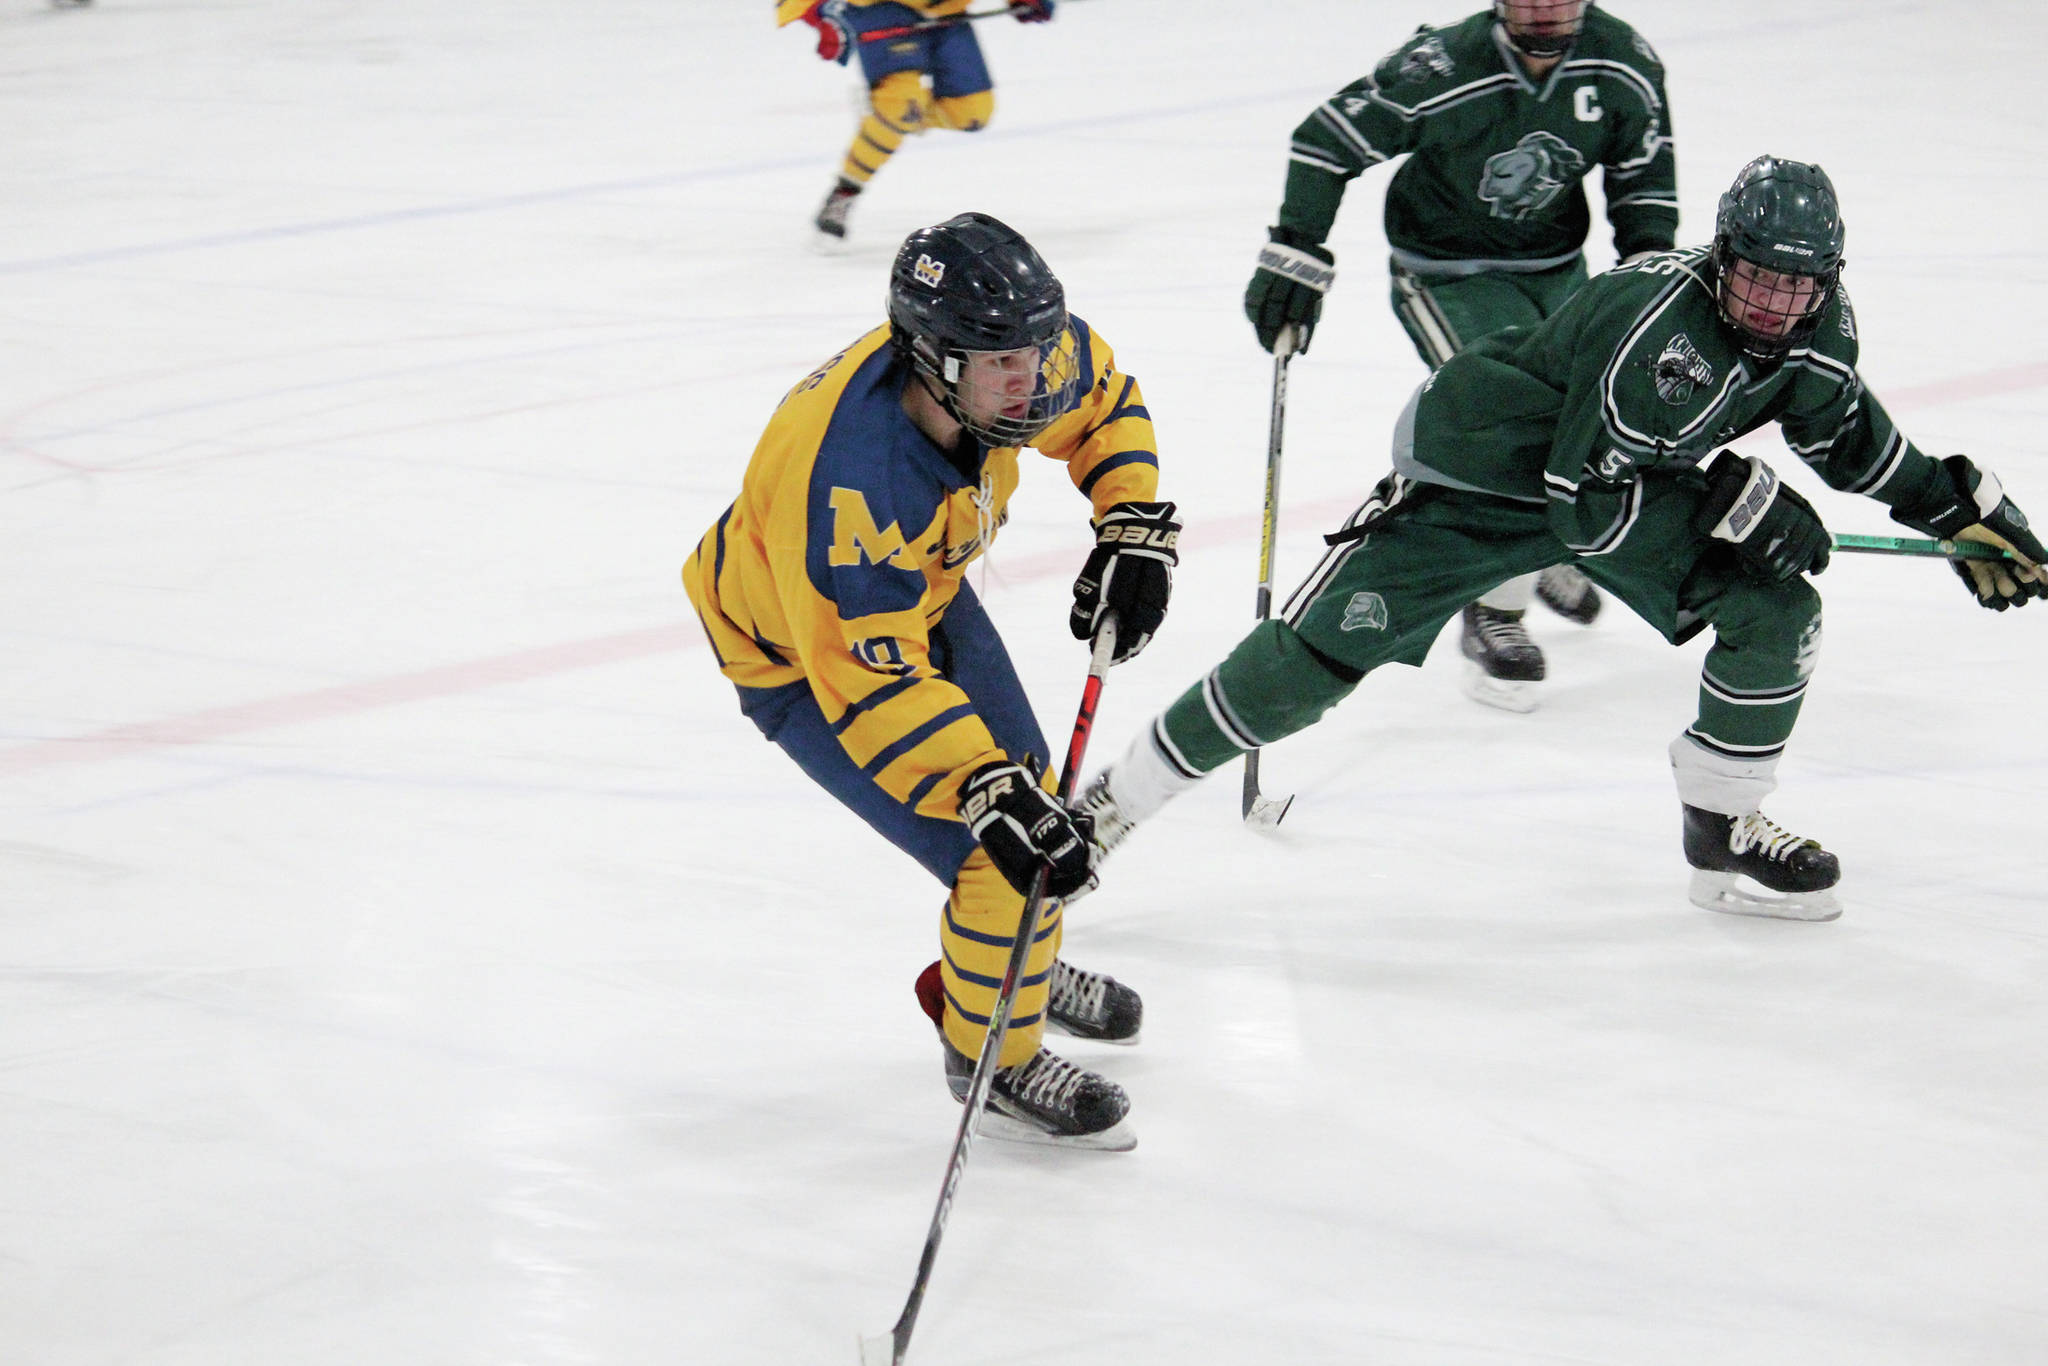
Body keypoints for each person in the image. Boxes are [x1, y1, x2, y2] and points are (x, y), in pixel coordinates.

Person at [1079, 156, 2046, 921]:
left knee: (1777, 607)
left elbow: (1847, 436)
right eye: (1757, 279)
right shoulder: (1656, 326)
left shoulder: (1816, 327)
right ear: (1722, 258)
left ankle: (1722, 829)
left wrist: (1958, 510)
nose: (1773, 308)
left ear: (1827, 282)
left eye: (1799, 290)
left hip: (1616, 480)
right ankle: (1109, 807)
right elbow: (1585, 504)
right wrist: (1740, 505)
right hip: (1486, 476)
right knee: (1312, 662)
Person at [683, 212, 1180, 1149]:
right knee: (1002, 842)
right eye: (1003, 365)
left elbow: (1103, 402)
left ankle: (1000, 960)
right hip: (800, 653)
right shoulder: (849, 483)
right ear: (933, 359)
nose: (1030, 380)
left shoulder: (1006, 355)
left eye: (1036, 351)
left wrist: (1132, 521)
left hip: (917, 591)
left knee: (1031, 803)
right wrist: (982, 788)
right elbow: (868, 684)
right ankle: (992, 1055)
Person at [1244, 0, 1678, 710]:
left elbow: (1645, 182)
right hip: (1446, 276)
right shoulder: (1442, 66)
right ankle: (1494, 612)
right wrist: (1296, 247)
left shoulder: (1625, 60)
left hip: (1559, 272)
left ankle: (1545, 547)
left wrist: (1648, 286)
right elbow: (1327, 139)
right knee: (1513, 421)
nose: (1543, 9)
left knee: (1590, 414)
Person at [777, 0, 1056, 244]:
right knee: (901, 108)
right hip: (882, 11)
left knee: (971, 113)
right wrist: (824, 13)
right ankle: (846, 189)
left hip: (947, 12)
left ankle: (887, 117)